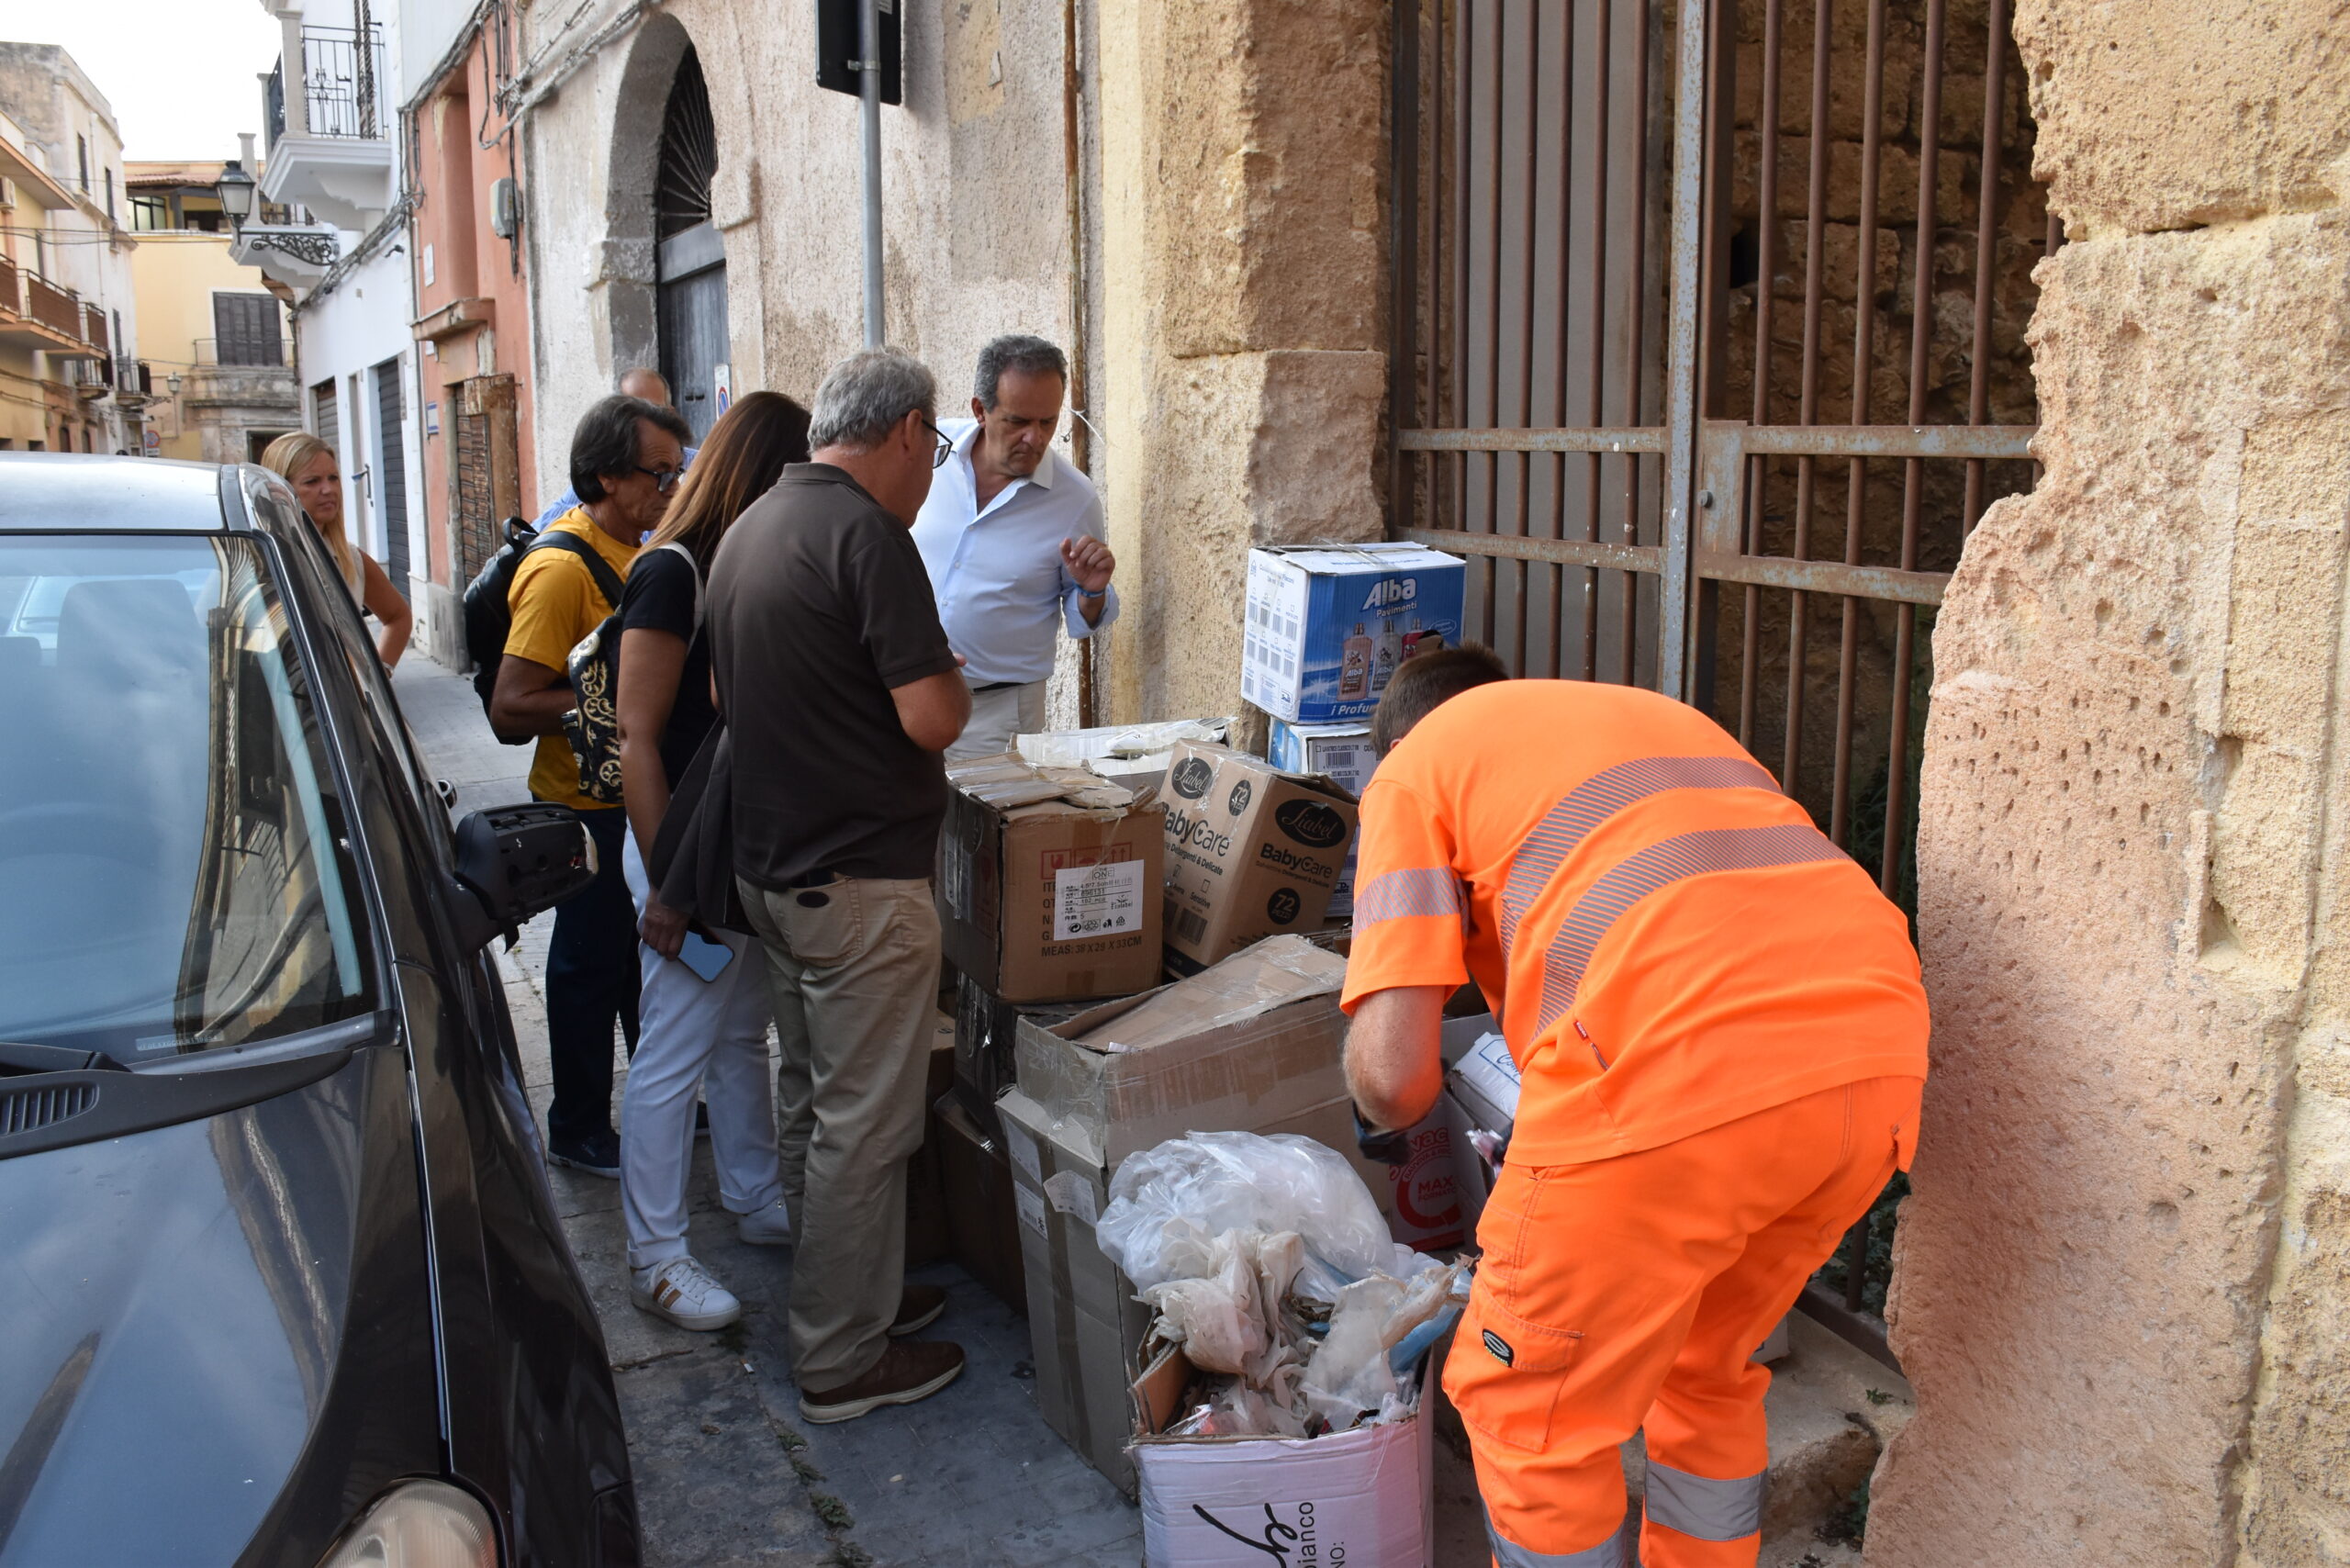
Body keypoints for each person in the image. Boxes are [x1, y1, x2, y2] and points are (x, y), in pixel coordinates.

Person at [1341, 649, 1930, 1568]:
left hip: (1672, 1085)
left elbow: (1395, 1079)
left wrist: (1366, 1074)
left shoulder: (1415, 767)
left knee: (1523, 1404)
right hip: (1873, 1068)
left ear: (1399, 740)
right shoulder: (1652, 723)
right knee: (1703, 1369)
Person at [706, 348, 970, 1423]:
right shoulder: (866, 533)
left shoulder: (752, 525)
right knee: (866, 1125)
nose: (930, 470)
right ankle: (841, 1358)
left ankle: (844, 1303)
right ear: (906, 429)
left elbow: (730, 692)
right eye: (935, 446)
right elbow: (934, 716)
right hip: (859, 882)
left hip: (778, 871)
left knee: (817, 1108)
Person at [613, 390, 811, 1330]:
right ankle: (654, 1255)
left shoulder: (729, 561)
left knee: (737, 1033)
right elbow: (637, 736)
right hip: (677, 858)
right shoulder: (673, 571)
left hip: (719, 850)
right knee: (673, 1049)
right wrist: (667, 886)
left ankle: (752, 1194)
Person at [490, 393, 691, 1178]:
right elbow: (510, 706)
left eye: (678, 473)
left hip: (630, 795)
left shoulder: (637, 548)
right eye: (658, 474)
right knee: (587, 972)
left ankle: (658, 1100)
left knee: (638, 965)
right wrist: (618, 701)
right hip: (582, 808)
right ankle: (576, 1124)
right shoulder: (557, 569)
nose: (671, 490)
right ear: (606, 476)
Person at [909, 333, 1114, 760]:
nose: (1034, 439)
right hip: (903, 698)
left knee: (983, 830)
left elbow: (1081, 620)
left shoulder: (1075, 499)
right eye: (1018, 421)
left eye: (1048, 423)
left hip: (995, 716)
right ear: (980, 410)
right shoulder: (932, 452)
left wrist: (1092, 592)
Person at [261, 431, 415, 667]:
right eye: (312, 481)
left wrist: (381, 674)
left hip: (338, 703)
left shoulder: (350, 560)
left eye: (333, 478)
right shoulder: (257, 556)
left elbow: (398, 617)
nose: (328, 489)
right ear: (278, 488)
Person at [534, 368, 699, 530]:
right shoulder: (603, 475)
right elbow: (539, 530)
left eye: (656, 411)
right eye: (633, 412)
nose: (674, 489)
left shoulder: (703, 466)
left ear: (671, 413)